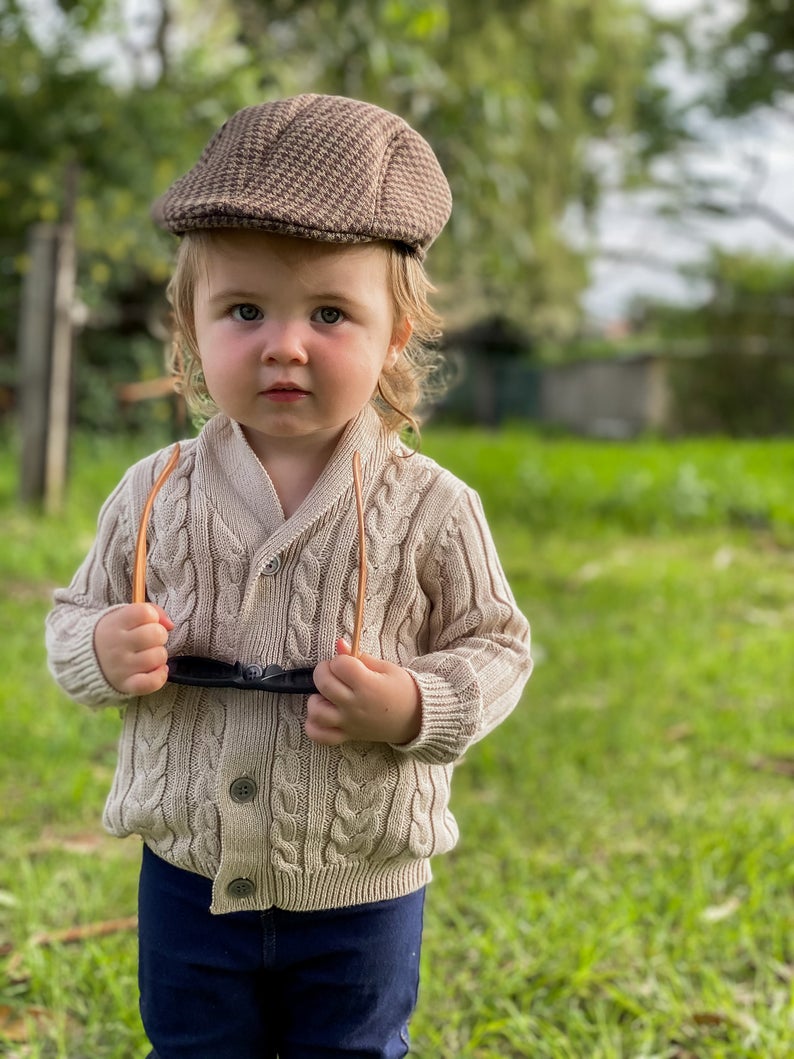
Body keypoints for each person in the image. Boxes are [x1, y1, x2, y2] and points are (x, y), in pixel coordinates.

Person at [45, 93, 532, 1059]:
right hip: (188, 874)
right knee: (192, 1046)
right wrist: (101, 648)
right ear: (189, 322)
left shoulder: (431, 506)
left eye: (330, 313)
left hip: (362, 877)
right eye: (245, 309)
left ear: (398, 332)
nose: (284, 343)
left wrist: (415, 706)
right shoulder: (158, 492)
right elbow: (73, 616)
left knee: (353, 1048)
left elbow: (498, 644)